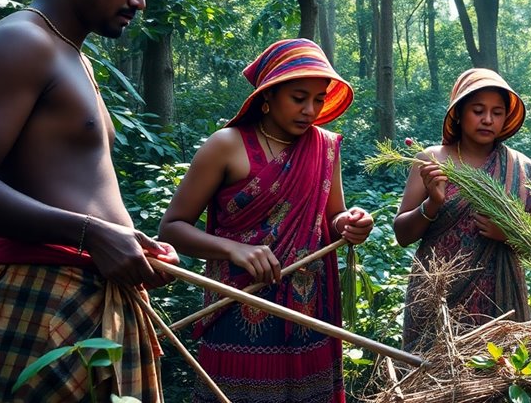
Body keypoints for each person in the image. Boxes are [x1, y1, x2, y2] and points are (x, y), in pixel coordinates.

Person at [0, 0, 176, 402]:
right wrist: (92, 236)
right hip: (39, 299)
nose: (140, 1)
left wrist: (133, 247)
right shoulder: (22, 42)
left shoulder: (74, 59)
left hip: (90, 303)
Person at [159, 38, 372, 403]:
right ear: (268, 95)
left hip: (310, 314)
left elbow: (333, 215)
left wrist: (348, 223)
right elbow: (172, 228)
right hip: (239, 307)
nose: (310, 110)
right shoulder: (226, 145)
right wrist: (234, 249)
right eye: (298, 97)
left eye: (318, 99)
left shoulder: (325, 147)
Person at [394, 68, 531, 352]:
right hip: (435, 301)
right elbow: (402, 235)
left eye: (497, 112)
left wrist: (511, 233)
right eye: (478, 110)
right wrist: (432, 204)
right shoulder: (430, 160)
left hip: (499, 308)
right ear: (459, 113)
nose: (488, 119)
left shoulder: (522, 169)